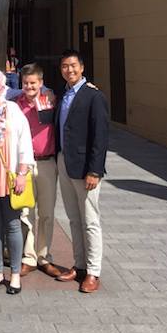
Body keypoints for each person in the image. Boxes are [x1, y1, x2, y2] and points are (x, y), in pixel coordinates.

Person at [55, 50, 109, 293]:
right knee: (74, 219)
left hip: (85, 169)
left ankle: (94, 272)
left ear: (82, 67)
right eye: (65, 66)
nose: (70, 70)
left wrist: (95, 170)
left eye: (73, 66)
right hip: (64, 163)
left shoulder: (93, 96)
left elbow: (101, 136)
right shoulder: (63, 94)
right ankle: (80, 265)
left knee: (90, 221)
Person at [0, 69, 34, 295]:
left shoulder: (12, 110)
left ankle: (14, 274)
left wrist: (22, 173)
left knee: (12, 225)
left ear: (4, 88)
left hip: (10, 175)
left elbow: (24, 142)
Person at [14, 63, 61, 278]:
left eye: (33, 83)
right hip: (24, 164)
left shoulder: (50, 100)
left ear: (41, 83)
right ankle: (29, 256)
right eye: (26, 83)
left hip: (46, 162)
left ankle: (44, 256)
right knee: (26, 212)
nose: (29, 87)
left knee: (47, 213)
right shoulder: (15, 104)